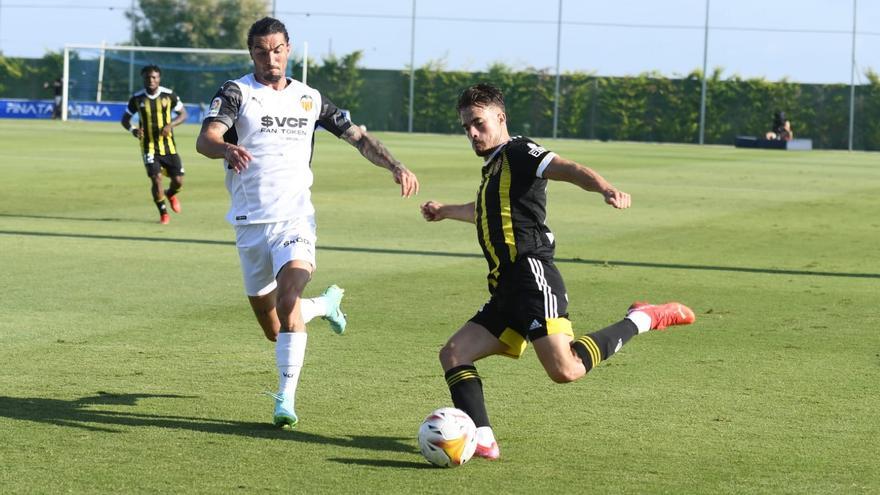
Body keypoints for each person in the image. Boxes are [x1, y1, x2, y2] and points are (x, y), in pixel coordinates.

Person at [420, 83, 695, 460]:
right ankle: (483, 438)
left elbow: (567, 168)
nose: (471, 132)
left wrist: (605, 188)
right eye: (466, 125)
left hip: (531, 278)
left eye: (478, 123)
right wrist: (446, 210)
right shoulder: (495, 168)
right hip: (505, 289)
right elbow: (485, 213)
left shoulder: (519, 151)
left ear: (500, 118)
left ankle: (643, 318)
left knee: (565, 369)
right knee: (453, 354)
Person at [195, 17, 419, 429]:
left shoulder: (309, 98)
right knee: (275, 328)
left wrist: (395, 164)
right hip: (249, 225)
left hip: (295, 220)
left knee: (288, 299)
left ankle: (286, 400)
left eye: (277, 49)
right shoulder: (236, 93)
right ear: (252, 54)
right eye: (262, 51)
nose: (271, 58)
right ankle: (325, 305)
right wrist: (226, 149)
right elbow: (205, 138)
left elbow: (358, 136)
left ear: (289, 49)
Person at [120, 65, 188, 224]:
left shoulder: (169, 95)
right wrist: (133, 130)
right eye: (148, 78)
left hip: (169, 147)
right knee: (156, 179)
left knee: (178, 181)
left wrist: (171, 125)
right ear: (143, 79)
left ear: (159, 78)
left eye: (154, 77)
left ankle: (170, 194)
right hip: (148, 147)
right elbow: (125, 119)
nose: (151, 80)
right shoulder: (137, 98)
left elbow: (183, 114)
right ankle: (163, 213)